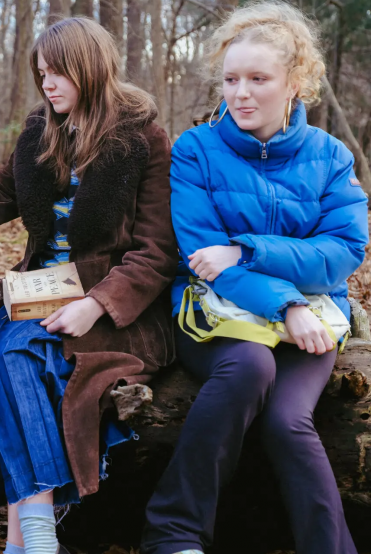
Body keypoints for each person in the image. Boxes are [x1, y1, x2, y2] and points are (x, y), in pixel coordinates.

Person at [0, 18, 178, 554]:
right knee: (5, 349)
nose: (47, 83)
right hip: (38, 292)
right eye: (41, 73)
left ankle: (28, 537)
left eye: (58, 72)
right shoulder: (42, 130)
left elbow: (156, 251)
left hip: (116, 310)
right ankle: (33, 537)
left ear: (90, 68)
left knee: (13, 354)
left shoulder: (143, 138)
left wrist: (97, 304)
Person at [141, 3, 369, 554]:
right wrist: (287, 302)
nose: (240, 93)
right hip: (216, 315)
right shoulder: (196, 150)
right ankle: (173, 535)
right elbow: (204, 259)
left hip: (313, 321)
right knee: (249, 364)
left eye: (258, 79)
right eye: (231, 79)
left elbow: (342, 252)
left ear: (295, 83)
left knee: (288, 420)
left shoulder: (330, 156)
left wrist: (247, 249)